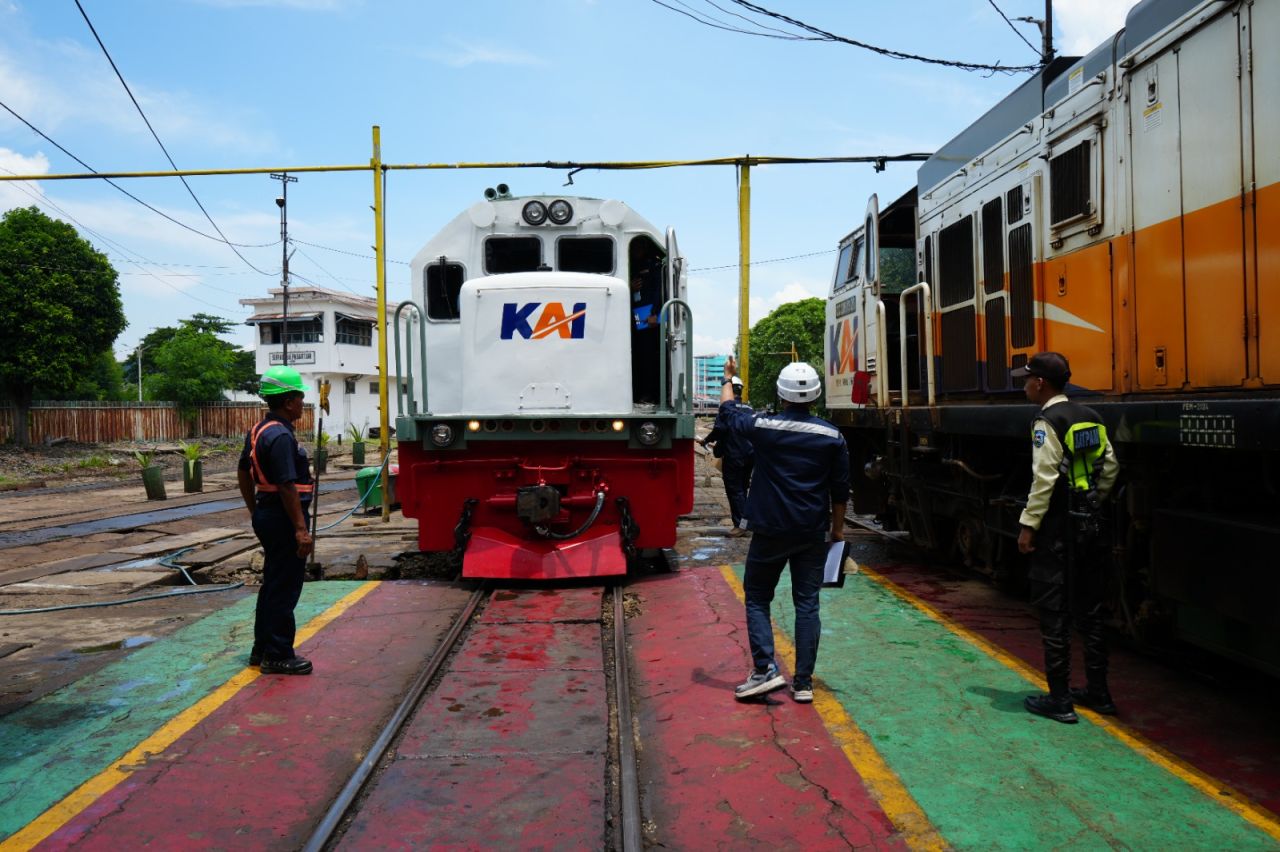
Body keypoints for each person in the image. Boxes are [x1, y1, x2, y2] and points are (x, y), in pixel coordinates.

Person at [717, 357, 850, 703]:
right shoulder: (832, 436)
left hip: (771, 531)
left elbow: (729, 415)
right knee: (807, 603)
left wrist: (728, 378)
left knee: (759, 596)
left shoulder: (765, 426)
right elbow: (840, 489)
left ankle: (765, 670)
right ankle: (803, 683)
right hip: (812, 532)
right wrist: (837, 532)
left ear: (781, 394)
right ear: (816, 396)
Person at [1014, 352, 1120, 723]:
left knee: (1054, 612)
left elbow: (1043, 480)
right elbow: (1110, 467)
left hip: (1057, 530)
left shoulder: (1046, 421)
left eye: (1026, 379)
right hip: (1089, 525)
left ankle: (1059, 699)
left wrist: (1029, 527)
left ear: (1040, 383)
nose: (1024, 385)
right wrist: (1093, 502)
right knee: (1090, 612)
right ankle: (1099, 692)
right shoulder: (1091, 416)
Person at [237, 365, 316, 675]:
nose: (302, 403)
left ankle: (262, 649)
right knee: (284, 587)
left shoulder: (258, 431)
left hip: (267, 513)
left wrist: (254, 511)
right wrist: (300, 529)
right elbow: (286, 486)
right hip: (284, 518)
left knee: (272, 584)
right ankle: (278, 654)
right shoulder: (281, 436)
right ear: (288, 401)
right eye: (300, 397)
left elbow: (243, 472)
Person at [701, 377, 754, 536]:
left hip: (734, 455)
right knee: (743, 488)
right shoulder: (750, 409)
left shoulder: (727, 409)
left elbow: (719, 430)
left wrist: (706, 440)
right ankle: (746, 523)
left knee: (734, 490)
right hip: (750, 455)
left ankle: (740, 525)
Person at [629, 267, 661, 404]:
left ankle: (648, 394)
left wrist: (656, 314)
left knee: (648, 358)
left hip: (648, 323)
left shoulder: (655, 267)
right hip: (631, 321)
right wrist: (628, 288)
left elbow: (661, 292)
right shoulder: (633, 268)